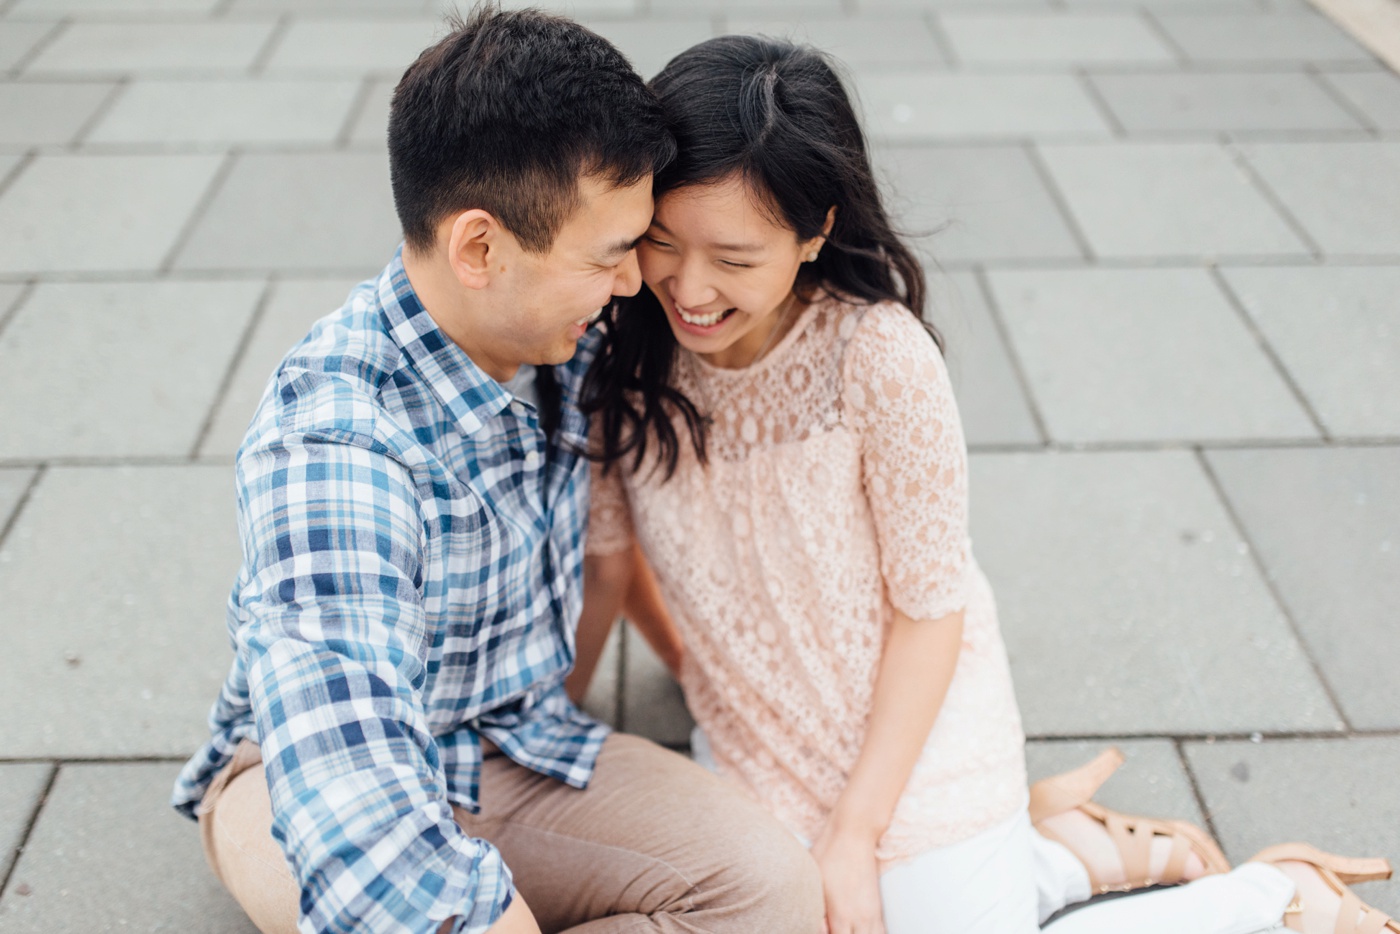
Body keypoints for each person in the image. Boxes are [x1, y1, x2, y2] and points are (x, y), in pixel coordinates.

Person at [573, 34, 1399, 934]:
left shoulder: (880, 360)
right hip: (757, 738)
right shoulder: (620, 351)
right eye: (661, 241)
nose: (688, 287)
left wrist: (856, 831)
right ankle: (1053, 855)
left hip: (915, 724)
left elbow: (932, 611)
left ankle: (1273, 898)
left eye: (734, 260)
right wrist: (562, 724)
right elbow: (611, 567)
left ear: (818, 232)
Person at [171, 12, 824, 934]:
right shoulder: (332, 445)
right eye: (607, 256)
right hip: (309, 777)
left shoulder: (568, 333)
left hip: (519, 742)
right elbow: (356, 810)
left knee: (772, 890)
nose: (635, 285)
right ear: (480, 248)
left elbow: (627, 526)